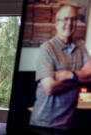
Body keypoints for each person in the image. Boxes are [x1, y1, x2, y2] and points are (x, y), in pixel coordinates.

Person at [29, 5, 91, 135]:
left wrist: (69, 74)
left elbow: (90, 75)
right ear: (57, 23)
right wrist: (79, 79)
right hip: (43, 124)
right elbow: (49, 88)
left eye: (73, 19)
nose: (69, 23)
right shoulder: (47, 48)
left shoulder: (81, 46)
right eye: (65, 19)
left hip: (68, 123)